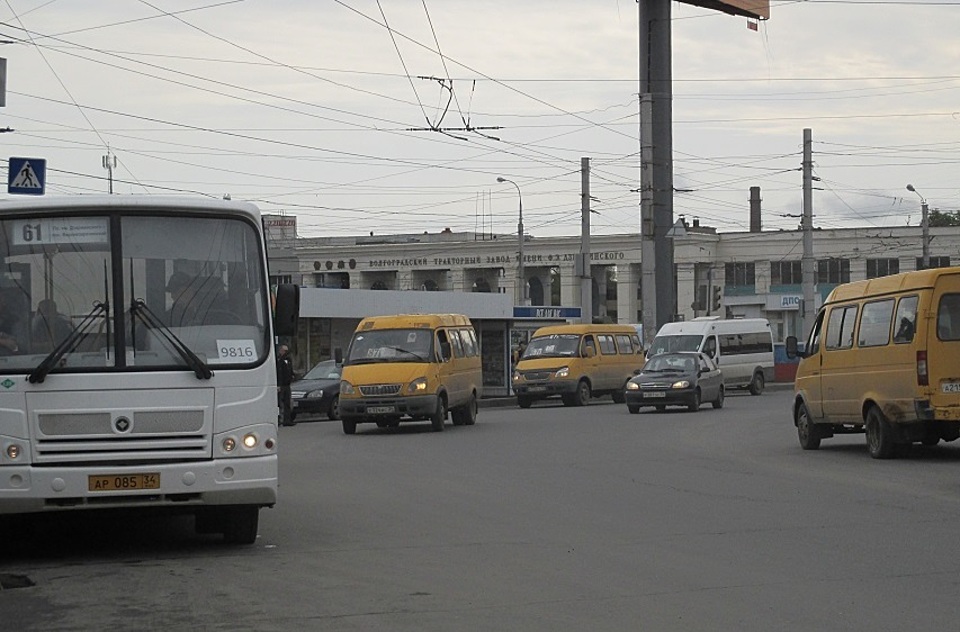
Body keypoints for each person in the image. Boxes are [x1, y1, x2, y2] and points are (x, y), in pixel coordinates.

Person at [0, 291, 26, 355]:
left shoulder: (14, 321)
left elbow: (22, 345)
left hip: (11, 361)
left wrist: (10, 342)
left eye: (3, 301)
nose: (3, 303)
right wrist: (3, 342)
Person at [276, 344, 295, 427]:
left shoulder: (288, 359)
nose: (286, 353)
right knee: (279, 403)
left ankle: (287, 420)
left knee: (287, 403)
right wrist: (278, 385)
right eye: (285, 351)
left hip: (287, 385)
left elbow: (290, 370)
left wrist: (292, 375)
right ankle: (278, 420)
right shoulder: (279, 360)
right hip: (281, 385)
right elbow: (279, 373)